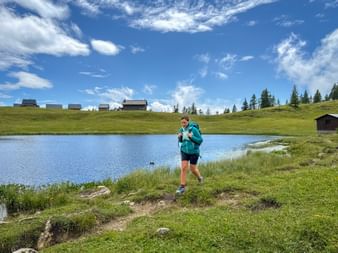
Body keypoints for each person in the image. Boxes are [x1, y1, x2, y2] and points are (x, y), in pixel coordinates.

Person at [176, 115, 203, 195]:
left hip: (194, 152)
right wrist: (179, 137)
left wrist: (192, 137)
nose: (183, 124)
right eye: (182, 123)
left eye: (184, 122)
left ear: (188, 121)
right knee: (184, 168)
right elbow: (181, 141)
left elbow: (200, 140)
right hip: (184, 151)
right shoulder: (181, 129)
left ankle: (200, 178)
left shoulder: (193, 129)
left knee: (192, 169)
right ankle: (182, 186)